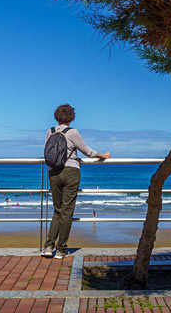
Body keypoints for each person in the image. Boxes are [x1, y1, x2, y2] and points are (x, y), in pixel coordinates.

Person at [42, 104, 110, 259]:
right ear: (71, 117)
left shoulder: (50, 131)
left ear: (56, 116)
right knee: (67, 211)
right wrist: (103, 155)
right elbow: (88, 151)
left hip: (53, 172)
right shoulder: (72, 132)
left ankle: (48, 246)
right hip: (70, 171)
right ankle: (61, 249)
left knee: (57, 210)